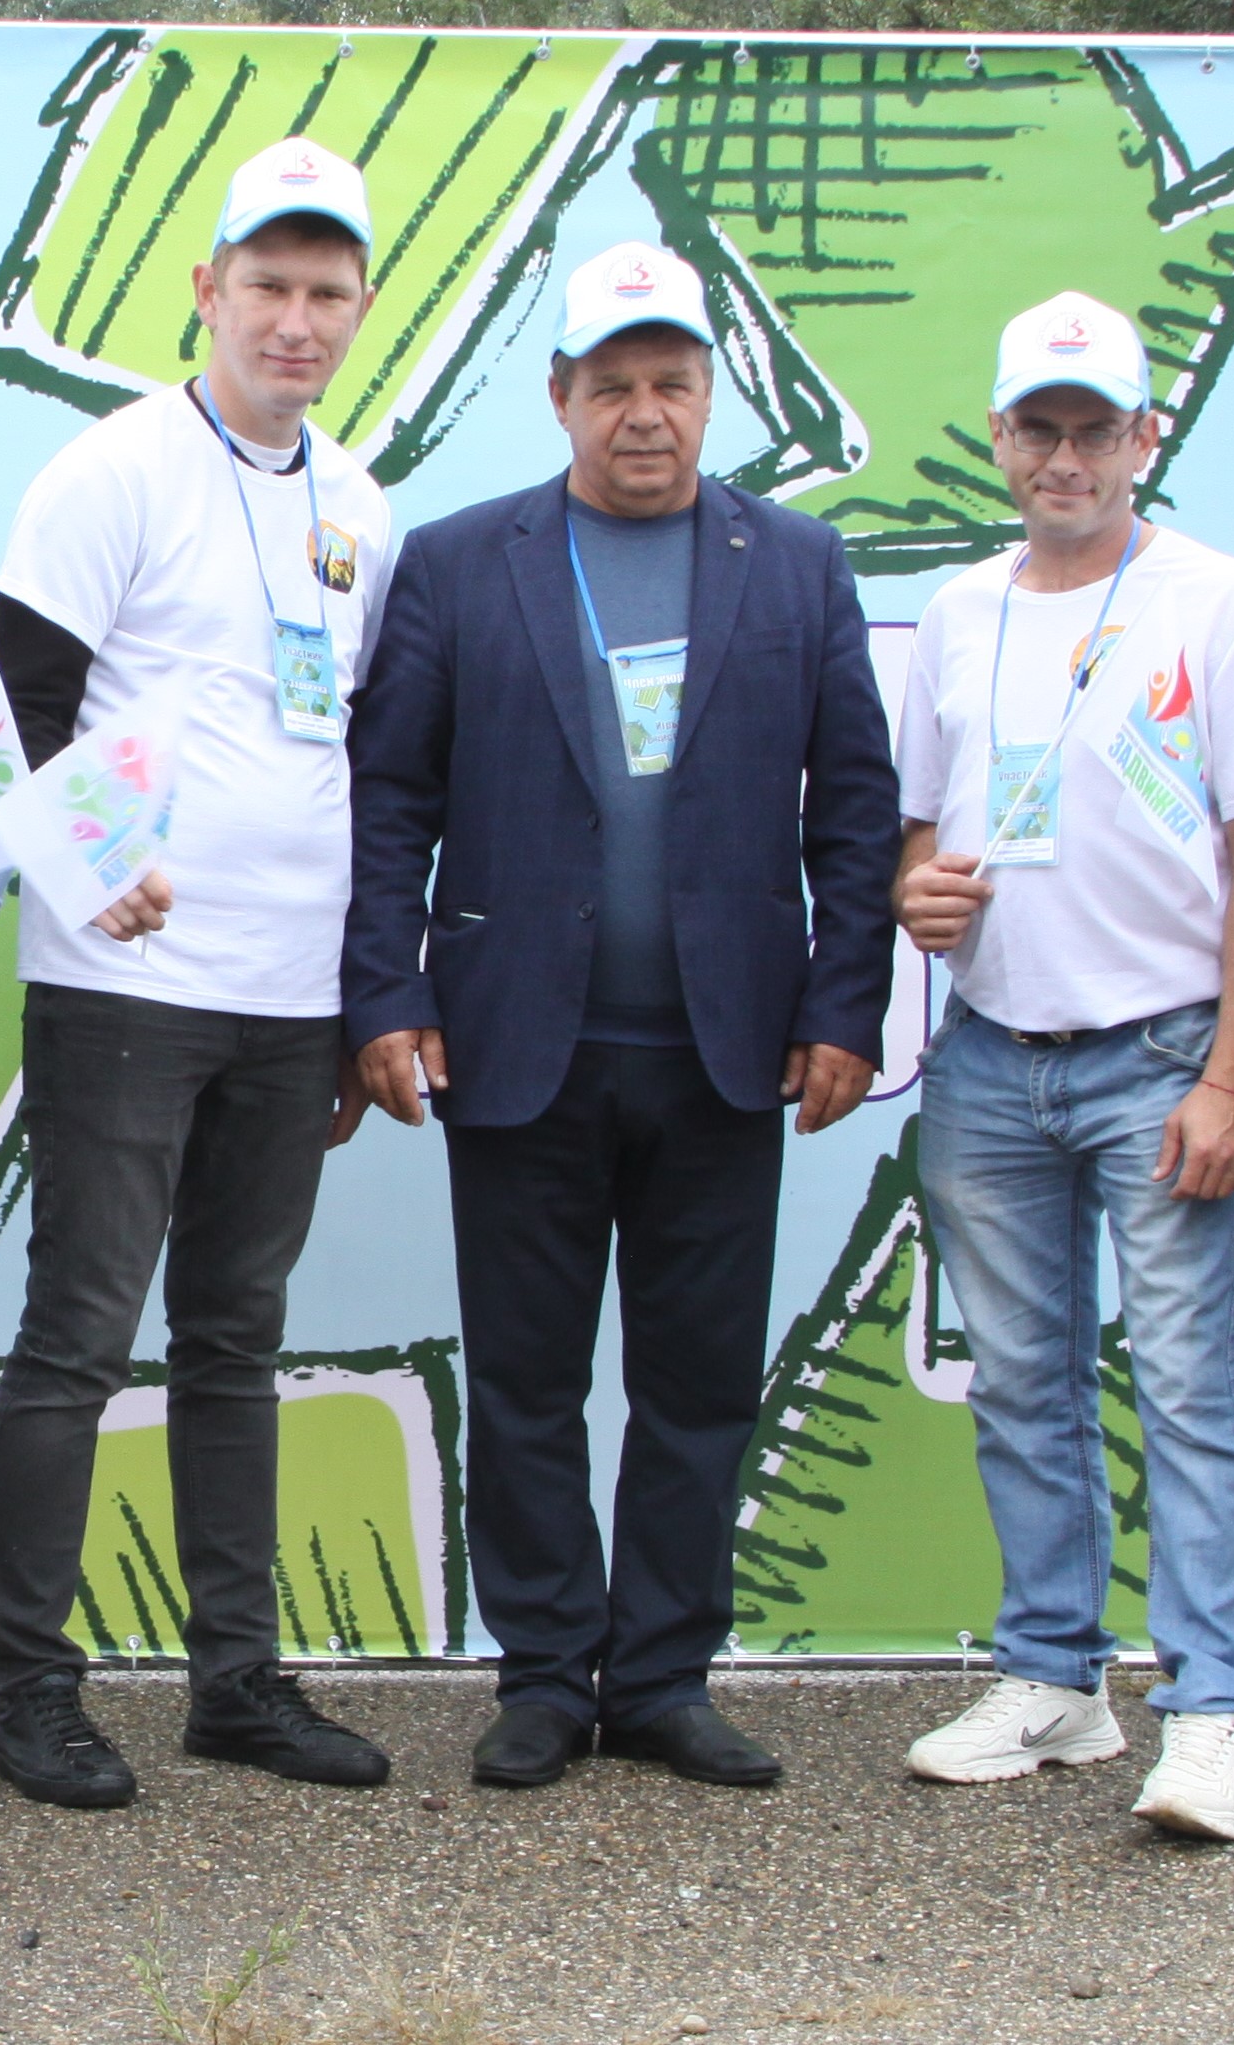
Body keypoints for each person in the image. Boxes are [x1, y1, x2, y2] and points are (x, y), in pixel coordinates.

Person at [342, 240, 895, 1791]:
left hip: (725, 1050)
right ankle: (540, 1673)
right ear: (559, 394)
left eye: (672, 382)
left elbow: (857, 809)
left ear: (710, 393)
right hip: (519, 1043)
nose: (644, 412)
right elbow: (389, 800)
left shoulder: (798, 564)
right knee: (527, 1382)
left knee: (698, 1384)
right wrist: (386, 989)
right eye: (613, 384)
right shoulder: (461, 561)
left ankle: (660, 1676)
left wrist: (845, 1002)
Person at [0, 136, 399, 1809]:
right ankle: (33, 1691)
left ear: (360, 306)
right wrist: (93, 864)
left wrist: (358, 997)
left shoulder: (359, 505)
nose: (296, 319)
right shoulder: (112, 471)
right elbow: (17, 700)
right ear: (206, 290)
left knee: (236, 1337)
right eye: (267, 284)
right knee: (79, 1333)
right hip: (124, 986)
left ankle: (236, 1682)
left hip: (288, 1001)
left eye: (326, 291)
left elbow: (353, 747)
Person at [890, 291, 1234, 1842]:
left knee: (1191, 1388)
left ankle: (1211, 1711)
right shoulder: (957, 612)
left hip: (1162, 1054)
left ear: (1145, 435)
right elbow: (917, 835)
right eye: (1038, 428)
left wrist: (1230, 1077)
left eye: (1095, 429)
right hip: (992, 1057)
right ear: (1000, 439)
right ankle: (1056, 1677)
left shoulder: (1222, 601)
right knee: (1022, 1385)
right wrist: (916, 896)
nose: (1066, 457)